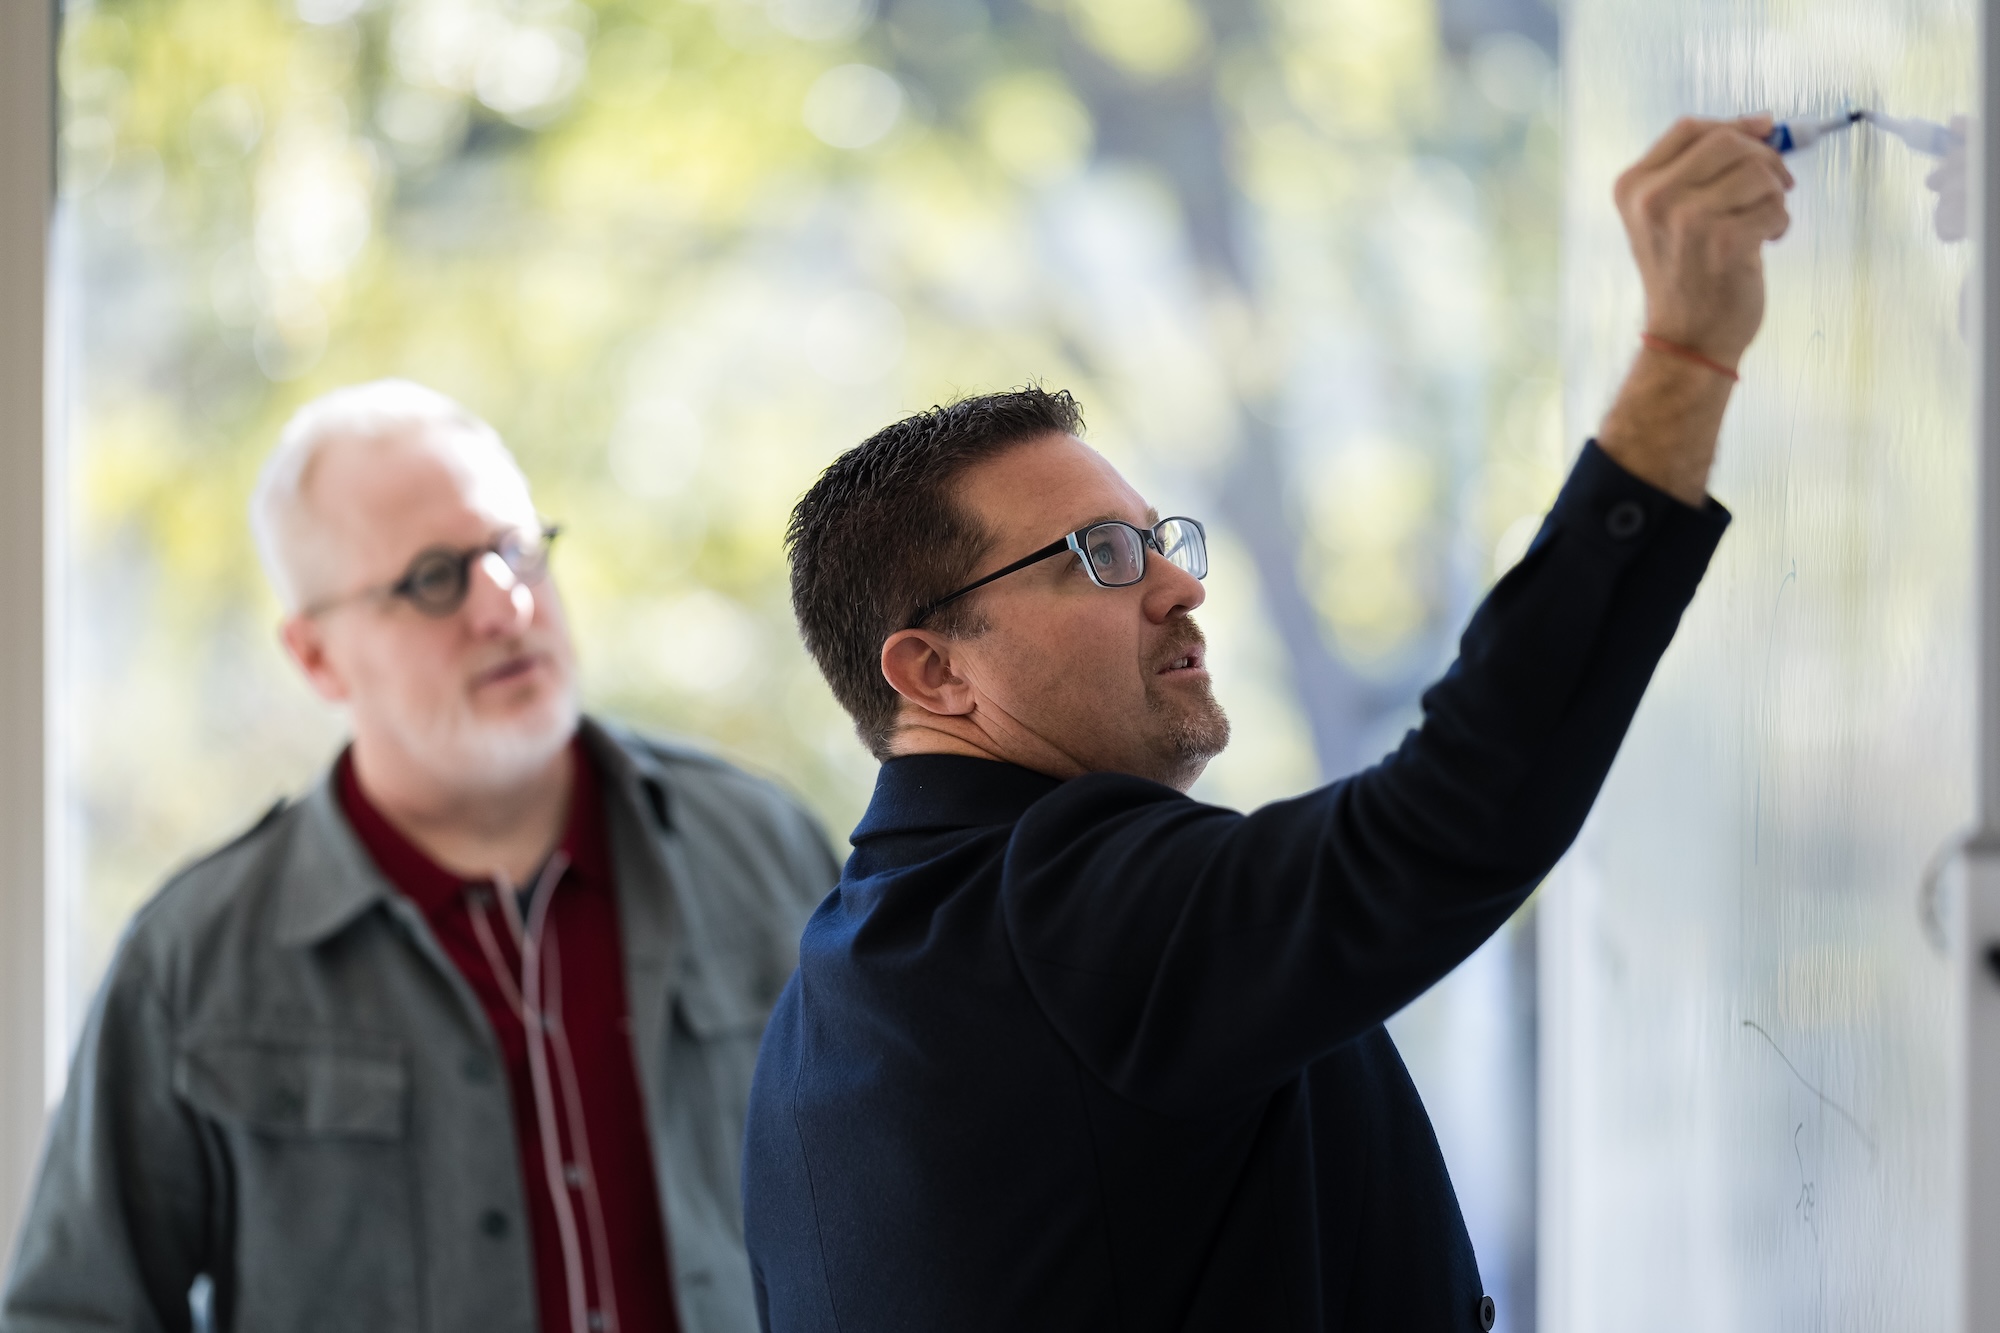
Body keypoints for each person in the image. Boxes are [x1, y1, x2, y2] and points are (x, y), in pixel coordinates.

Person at [743, 115, 1792, 1331]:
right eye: (1095, 555)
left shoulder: (831, 1001)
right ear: (931, 672)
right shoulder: (1054, 905)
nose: (1179, 584)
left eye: (1156, 538)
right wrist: (1682, 355)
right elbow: (1441, 825)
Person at [1, 381, 839, 1333]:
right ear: (316, 657)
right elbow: (73, 1313)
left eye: (517, 549)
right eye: (435, 578)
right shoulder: (193, 957)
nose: (507, 604)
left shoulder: (766, 847)